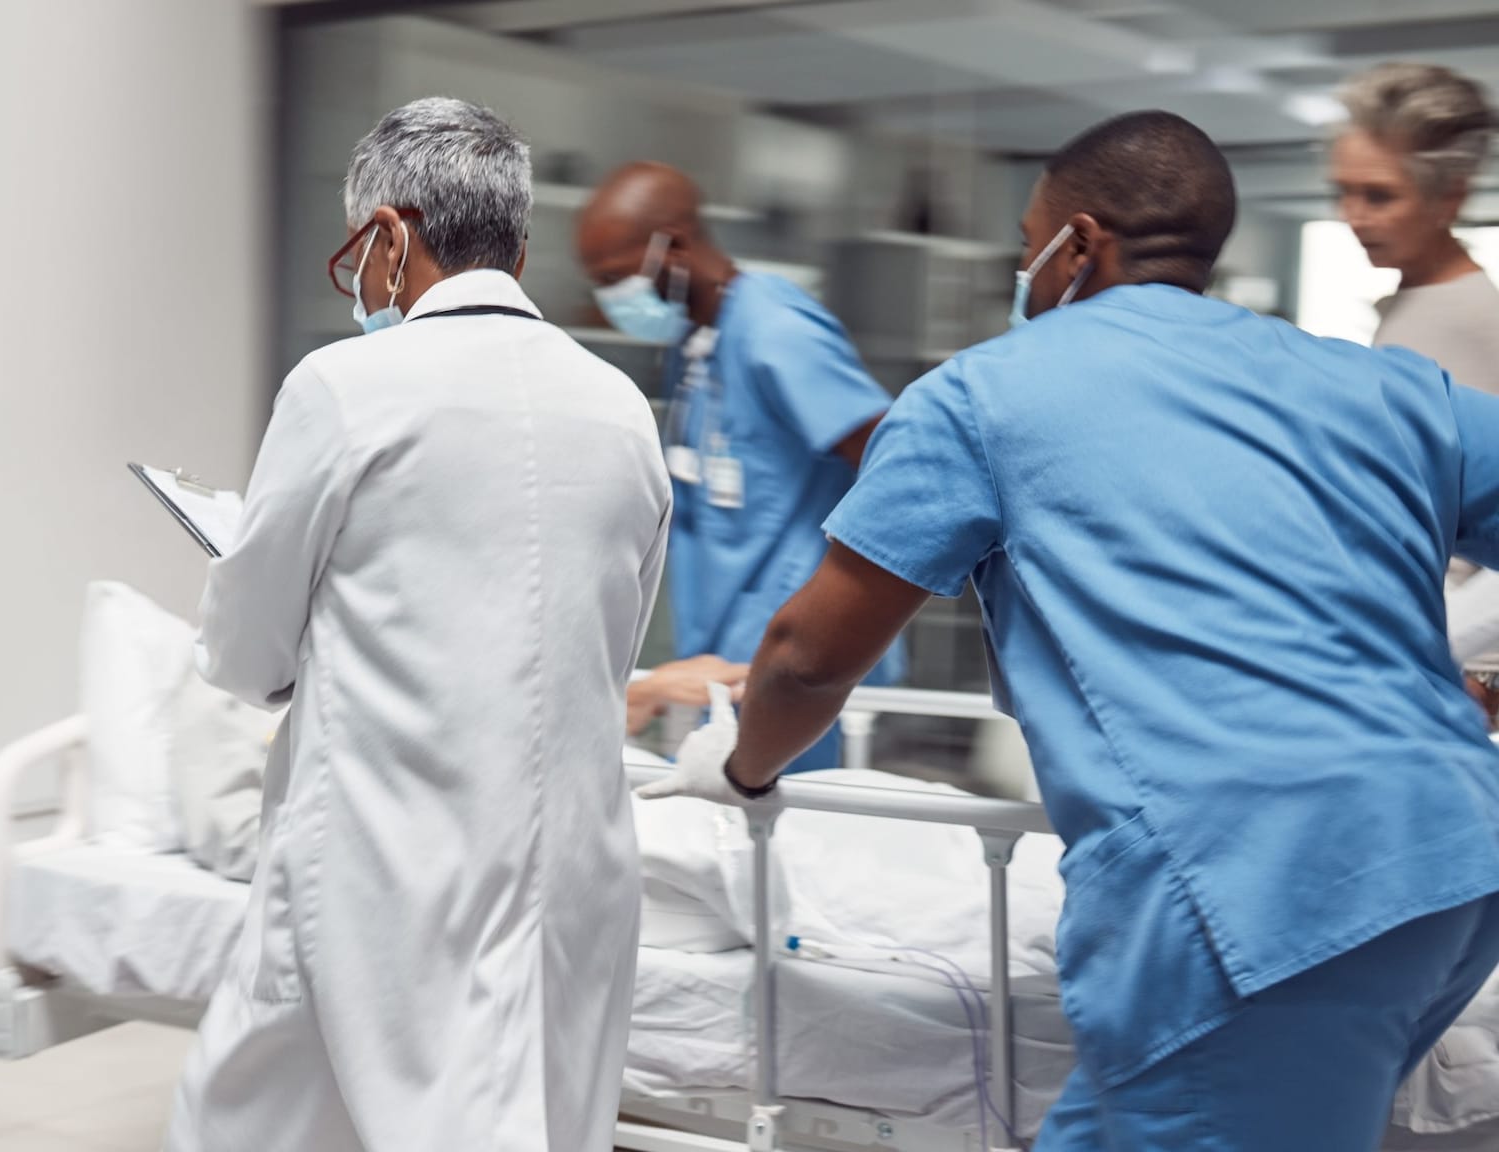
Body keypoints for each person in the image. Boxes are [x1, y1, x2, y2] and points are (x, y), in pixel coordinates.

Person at [643, 110, 1499, 1149]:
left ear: (1077, 244)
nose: (1023, 271)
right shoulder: (1381, 387)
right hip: (1452, 861)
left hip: (1260, 891)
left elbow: (805, 658)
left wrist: (734, 774)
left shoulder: (981, 396)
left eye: (1024, 244)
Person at [167, 97, 670, 1152]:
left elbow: (248, 655)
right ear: (519, 246)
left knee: (246, 1121)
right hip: (574, 876)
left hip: (380, 877)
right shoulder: (620, 408)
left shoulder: (345, 387)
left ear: (388, 236)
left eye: (359, 253)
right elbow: (604, 646)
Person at [576, 163, 902, 773]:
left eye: (614, 280)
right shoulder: (700, 343)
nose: (607, 302)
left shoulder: (773, 329)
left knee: (791, 847)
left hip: (791, 665)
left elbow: (895, 465)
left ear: (669, 249)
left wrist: (843, 617)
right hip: (721, 664)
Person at [1334, 62, 1499, 717]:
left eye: (1378, 196)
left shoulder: (1469, 318)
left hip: (1427, 669)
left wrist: (1470, 667)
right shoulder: (1414, 307)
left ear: (1448, 197)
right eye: (1342, 193)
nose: (1354, 217)